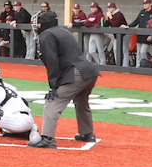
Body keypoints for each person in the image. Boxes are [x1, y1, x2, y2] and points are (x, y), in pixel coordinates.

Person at [31, 11, 101, 148]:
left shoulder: (46, 35)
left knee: (53, 101)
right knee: (81, 102)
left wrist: (53, 85)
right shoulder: (62, 31)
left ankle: (48, 138)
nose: (36, 25)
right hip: (89, 70)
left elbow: (52, 61)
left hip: (76, 71)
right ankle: (87, 133)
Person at [128, 0, 152, 67]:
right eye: (144, 4)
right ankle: (138, 66)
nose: (145, 5)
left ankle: (144, 65)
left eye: (146, 4)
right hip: (140, 35)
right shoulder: (142, 12)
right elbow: (136, 21)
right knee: (139, 52)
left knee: (143, 51)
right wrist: (128, 26)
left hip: (148, 36)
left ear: (150, 4)